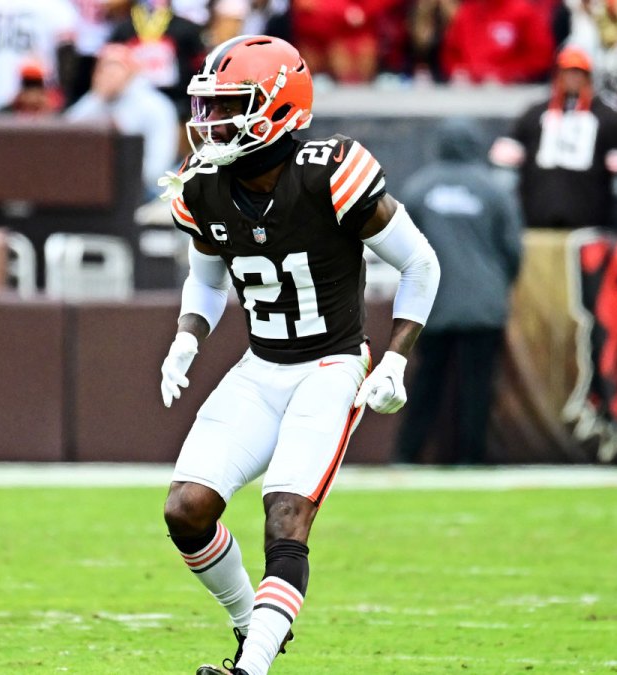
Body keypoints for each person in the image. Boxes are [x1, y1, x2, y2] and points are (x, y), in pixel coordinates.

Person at [157, 35, 440, 675]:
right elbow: (206, 275)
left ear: (280, 107)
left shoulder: (330, 171)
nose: (213, 123)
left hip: (330, 367)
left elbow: (420, 263)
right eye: (210, 106)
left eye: (232, 106)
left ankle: (250, 668)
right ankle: (249, 626)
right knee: (186, 509)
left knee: (286, 513)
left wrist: (394, 357)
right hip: (260, 368)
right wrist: (186, 336)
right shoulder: (204, 187)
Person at [395, 118, 522, 464]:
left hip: (432, 304)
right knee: (477, 386)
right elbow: (513, 248)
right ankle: (471, 457)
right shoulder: (494, 189)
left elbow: (401, 247)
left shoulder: (419, 188)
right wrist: (499, 285)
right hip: (484, 303)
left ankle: (408, 453)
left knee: (425, 382)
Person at [489, 46, 617, 229]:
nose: (573, 78)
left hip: (590, 219)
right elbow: (504, 166)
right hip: (537, 216)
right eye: (567, 72)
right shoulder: (533, 116)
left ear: (589, 78)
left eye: (578, 73)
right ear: (558, 76)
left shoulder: (609, 119)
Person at [64, 43, 177, 199]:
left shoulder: (156, 106)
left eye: (115, 66)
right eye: (103, 67)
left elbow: (156, 170)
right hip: (96, 188)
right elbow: (64, 137)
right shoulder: (95, 100)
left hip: (145, 190)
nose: (107, 73)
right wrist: (98, 98)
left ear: (131, 71)